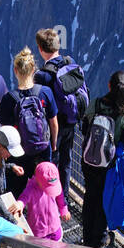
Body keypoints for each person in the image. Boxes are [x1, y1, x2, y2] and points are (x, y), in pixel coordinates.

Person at [81, 70, 124, 248]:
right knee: (105, 199)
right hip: (109, 165)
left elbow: (84, 128)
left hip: (89, 160)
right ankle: (99, 239)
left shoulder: (96, 103)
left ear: (109, 85)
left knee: (90, 197)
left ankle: (87, 236)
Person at [34, 29, 88, 195]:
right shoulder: (69, 61)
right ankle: (63, 198)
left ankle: (50, 199)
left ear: (41, 49)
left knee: (51, 164)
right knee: (66, 162)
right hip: (71, 122)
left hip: (53, 126)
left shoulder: (42, 75)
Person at [0, 48, 58, 185]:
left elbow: (4, 131)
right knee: (44, 187)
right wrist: (53, 144)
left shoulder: (8, 99)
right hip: (42, 148)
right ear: (33, 70)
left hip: (18, 152)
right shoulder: (45, 92)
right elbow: (53, 123)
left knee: (18, 190)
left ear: (15, 71)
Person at [21, 160, 71, 244]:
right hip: (38, 232)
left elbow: (60, 196)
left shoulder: (54, 182)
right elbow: (24, 197)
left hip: (55, 228)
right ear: (38, 180)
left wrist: (64, 209)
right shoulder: (31, 187)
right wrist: (19, 203)